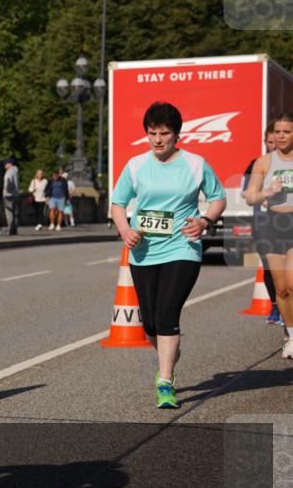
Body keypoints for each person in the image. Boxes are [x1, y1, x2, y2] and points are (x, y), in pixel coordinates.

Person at [110, 102, 226, 408]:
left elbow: (218, 198)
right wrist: (124, 229)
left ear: (177, 134)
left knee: (167, 313)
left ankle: (165, 381)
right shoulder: (136, 166)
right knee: (150, 323)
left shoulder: (196, 164)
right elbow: (118, 203)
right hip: (144, 251)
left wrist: (205, 221)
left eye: (164, 133)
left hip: (182, 248)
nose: (158, 140)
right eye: (152, 133)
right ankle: (167, 349)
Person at [242, 113, 293, 356]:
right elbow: (250, 195)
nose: (281, 136)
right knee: (281, 288)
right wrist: (267, 191)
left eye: (287, 132)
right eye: (278, 132)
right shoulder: (263, 162)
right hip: (273, 224)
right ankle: (291, 334)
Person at [241, 123, 280, 324]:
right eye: (270, 141)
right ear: (265, 142)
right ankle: (275, 307)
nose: (274, 145)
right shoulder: (257, 164)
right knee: (269, 268)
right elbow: (245, 192)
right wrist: (262, 194)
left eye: (278, 141)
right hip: (263, 223)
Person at [2, 157, 20, 235]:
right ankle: (15, 229)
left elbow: (8, 181)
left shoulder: (9, 172)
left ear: (9, 164)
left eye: (5, 163)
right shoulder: (16, 171)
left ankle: (10, 229)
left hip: (9, 195)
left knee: (9, 213)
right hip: (16, 194)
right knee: (15, 212)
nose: (4, 165)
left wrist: (6, 189)